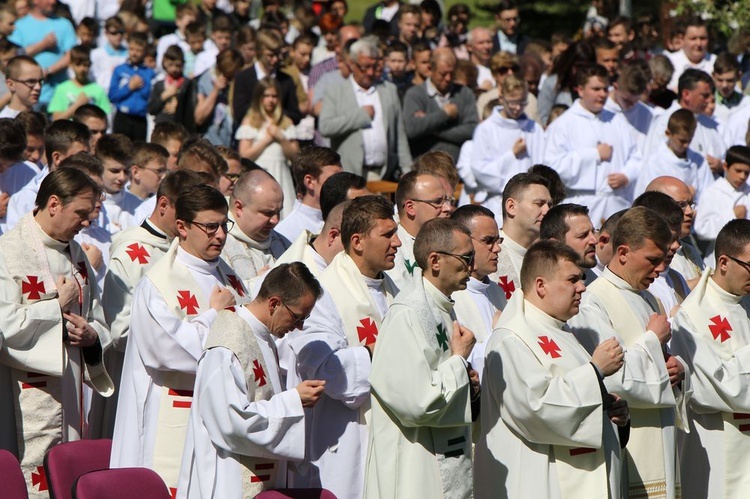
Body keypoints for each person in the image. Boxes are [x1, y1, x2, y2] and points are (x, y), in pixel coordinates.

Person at [110, 185, 246, 495]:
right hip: (173, 409)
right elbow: (165, 350)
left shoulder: (228, 276)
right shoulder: (157, 283)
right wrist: (213, 316)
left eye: (225, 225)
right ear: (182, 227)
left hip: (220, 414)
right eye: (210, 227)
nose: (221, 235)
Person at [475, 240, 628, 499]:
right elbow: (535, 408)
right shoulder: (513, 338)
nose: (582, 287)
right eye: (572, 280)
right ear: (540, 285)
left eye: (581, 279)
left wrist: (609, 410)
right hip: (542, 482)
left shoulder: (561, 330)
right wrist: (595, 371)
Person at [0, 167, 112, 497]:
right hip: (23, 394)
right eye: (80, 212)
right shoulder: (8, 253)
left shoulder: (77, 255)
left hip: (72, 395)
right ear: (53, 204)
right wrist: (56, 307)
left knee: (67, 478)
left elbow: (99, 321)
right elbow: (5, 328)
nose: (87, 222)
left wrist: (91, 338)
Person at [568, 207, 690, 499]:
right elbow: (609, 378)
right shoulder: (592, 302)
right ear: (622, 252)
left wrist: (678, 368)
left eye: (663, 260)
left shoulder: (648, 296)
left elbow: (662, 362)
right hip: (628, 443)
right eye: (652, 260)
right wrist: (652, 339)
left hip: (662, 438)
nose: (660, 269)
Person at [284, 195, 400, 499]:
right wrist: (378, 352)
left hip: (391, 434)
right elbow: (325, 372)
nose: (398, 242)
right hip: (344, 439)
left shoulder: (395, 290)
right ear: (358, 241)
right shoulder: (324, 294)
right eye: (388, 234)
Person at [177, 263, 326, 498]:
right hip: (228, 477)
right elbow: (232, 421)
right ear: (275, 303)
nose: (299, 327)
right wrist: (294, 401)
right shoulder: (227, 344)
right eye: (297, 317)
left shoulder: (262, 335)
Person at [365, 218, 479, 498]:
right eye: (466, 258)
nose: (472, 267)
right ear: (435, 260)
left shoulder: (441, 305)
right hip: (414, 467)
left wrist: (469, 381)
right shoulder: (409, 312)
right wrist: (459, 362)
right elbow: (418, 402)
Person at [96, 170, 206, 439]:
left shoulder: (185, 249)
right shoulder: (133, 252)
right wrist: (179, 336)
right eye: (184, 214)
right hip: (140, 378)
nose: (187, 223)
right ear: (164, 204)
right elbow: (120, 330)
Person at [671, 219, 750, 499]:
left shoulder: (746, 302)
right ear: (725, 262)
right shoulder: (694, 315)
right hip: (718, 446)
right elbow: (716, 388)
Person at [544, 63, 642, 226]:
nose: (602, 94)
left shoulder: (617, 120)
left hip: (616, 203)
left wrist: (626, 175)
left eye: (605, 89)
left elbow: (636, 156)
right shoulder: (564, 124)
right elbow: (553, 167)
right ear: (580, 90)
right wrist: (593, 155)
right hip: (581, 202)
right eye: (596, 89)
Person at [319, 36, 412, 181]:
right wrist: (360, 116)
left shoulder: (388, 90)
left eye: (373, 66)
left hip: (383, 175)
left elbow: (399, 134)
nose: (370, 72)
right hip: (349, 174)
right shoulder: (335, 91)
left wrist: (407, 169)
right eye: (364, 67)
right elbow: (325, 127)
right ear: (352, 64)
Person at [471, 74, 545, 218]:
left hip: (531, 204)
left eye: (523, 102)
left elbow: (543, 165)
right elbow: (480, 170)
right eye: (512, 102)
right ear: (501, 97)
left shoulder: (534, 129)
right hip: (498, 201)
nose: (517, 108)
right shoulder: (486, 129)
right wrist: (511, 155)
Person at [451, 205, 506, 378]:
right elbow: (458, 361)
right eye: (489, 241)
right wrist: (500, 335)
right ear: (463, 242)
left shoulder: (497, 292)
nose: (497, 248)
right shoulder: (450, 296)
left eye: (498, 241)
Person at [6, 119, 90, 231]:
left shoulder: (92, 192)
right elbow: (16, 244)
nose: (87, 160)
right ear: (57, 158)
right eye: (80, 156)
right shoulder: (25, 199)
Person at [236, 76, 300, 216]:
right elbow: (244, 155)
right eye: (266, 96)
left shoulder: (286, 122)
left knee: (285, 211)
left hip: (281, 173)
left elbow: (295, 155)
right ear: (259, 98)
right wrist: (266, 140)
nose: (271, 100)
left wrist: (281, 138)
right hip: (259, 171)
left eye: (274, 96)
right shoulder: (250, 121)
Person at [643, 68, 725, 176]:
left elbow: (724, 155)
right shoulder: (665, 122)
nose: (710, 100)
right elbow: (653, 162)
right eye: (705, 95)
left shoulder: (710, 123)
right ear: (686, 94)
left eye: (711, 95)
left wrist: (720, 166)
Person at [403, 47, 478, 161]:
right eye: (443, 74)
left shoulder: (464, 93)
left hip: (457, 166)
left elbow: (472, 130)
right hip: (424, 166)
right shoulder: (415, 94)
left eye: (451, 73)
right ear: (431, 69)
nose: (448, 78)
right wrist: (444, 114)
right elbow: (412, 129)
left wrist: (432, 128)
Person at [221, 169, 290, 289]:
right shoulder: (218, 246)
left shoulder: (285, 246)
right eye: (268, 212)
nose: (276, 220)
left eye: (279, 211)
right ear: (239, 207)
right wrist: (256, 285)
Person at [387, 170, 455, 289]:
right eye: (438, 202)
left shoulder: (453, 239)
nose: (448, 208)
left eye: (448, 201)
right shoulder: (390, 247)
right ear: (410, 207)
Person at [493, 172, 552, 299]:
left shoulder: (549, 258)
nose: (547, 211)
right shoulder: (490, 254)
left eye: (549, 205)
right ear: (511, 206)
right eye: (539, 203)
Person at [8, 0, 76, 109]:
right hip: (30, 97)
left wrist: (48, 71)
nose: (53, 2)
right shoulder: (20, 26)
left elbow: (72, 55)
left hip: (60, 96)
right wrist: (43, 45)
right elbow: (14, 57)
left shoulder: (64, 24)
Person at [635, 109, 713, 201]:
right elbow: (645, 196)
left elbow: (708, 193)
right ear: (668, 133)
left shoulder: (699, 161)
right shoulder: (654, 162)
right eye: (682, 141)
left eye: (689, 140)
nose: (686, 145)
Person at [232, 29, 302, 130]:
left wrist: (276, 115)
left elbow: (295, 115)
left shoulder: (286, 80)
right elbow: (239, 112)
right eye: (270, 55)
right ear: (259, 52)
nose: (275, 59)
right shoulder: (243, 77)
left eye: (278, 54)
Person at [646, 176, 705, 289]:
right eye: (681, 205)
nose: (690, 212)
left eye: (690, 205)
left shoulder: (689, 250)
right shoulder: (651, 254)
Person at [695, 146, 750, 263]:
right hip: (718, 259)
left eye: (747, 173)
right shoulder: (713, 192)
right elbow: (701, 229)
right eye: (738, 171)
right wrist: (732, 215)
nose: (742, 176)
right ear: (725, 166)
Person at [275, 146, 342, 242]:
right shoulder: (285, 232)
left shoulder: (343, 217)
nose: (342, 184)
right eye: (335, 178)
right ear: (310, 182)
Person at [108, 32, 155, 142]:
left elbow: (149, 96)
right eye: (132, 49)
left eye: (138, 50)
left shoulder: (150, 73)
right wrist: (129, 87)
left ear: (145, 52)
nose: (134, 53)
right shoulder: (120, 70)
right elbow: (112, 96)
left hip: (140, 118)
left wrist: (141, 86)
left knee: (138, 153)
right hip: (122, 117)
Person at [604, 60, 654, 155]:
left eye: (636, 101)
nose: (631, 106)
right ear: (616, 87)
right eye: (626, 100)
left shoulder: (646, 114)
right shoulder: (601, 107)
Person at [540, 203, 599, 284]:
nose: (594, 241)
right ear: (555, 244)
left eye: (593, 232)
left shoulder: (599, 284)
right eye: (583, 235)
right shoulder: (544, 290)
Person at [48, 45, 111, 121]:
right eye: (78, 64)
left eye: (86, 65)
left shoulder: (98, 90)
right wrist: (77, 105)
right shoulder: (61, 89)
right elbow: (56, 120)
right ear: (71, 64)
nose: (82, 69)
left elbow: (105, 118)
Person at [665, 17, 716, 92]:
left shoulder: (715, 62)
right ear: (682, 39)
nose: (698, 43)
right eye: (693, 38)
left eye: (702, 38)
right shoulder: (669, 62)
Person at [89, 16, 128, 94]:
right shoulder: (96, 54)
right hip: (102, 94)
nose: (118, 36)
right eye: (114, 33)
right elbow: (93, 78)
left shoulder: (129, 54)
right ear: (106, 33)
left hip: (123, 95)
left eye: (121, 32)